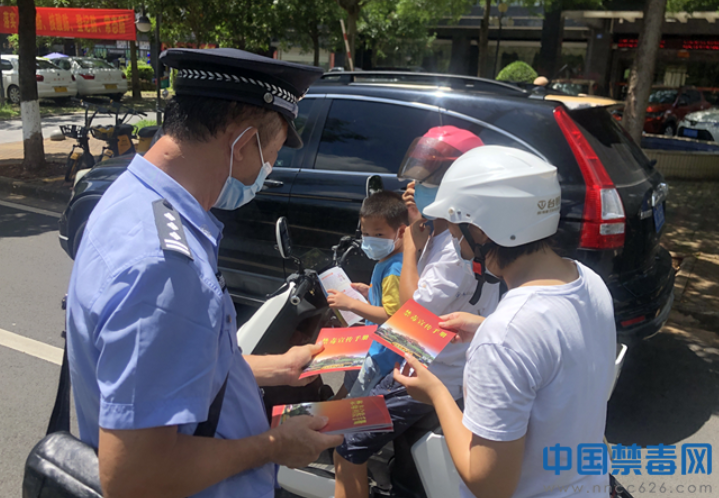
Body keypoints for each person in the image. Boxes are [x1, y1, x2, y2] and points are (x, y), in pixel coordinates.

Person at [64, 48, 344, 498]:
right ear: (242, 143)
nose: (268, 170)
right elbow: (135, 477)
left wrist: (274, 368)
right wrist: (275, 446)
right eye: (271, 154)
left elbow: (173, 368)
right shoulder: (165, 268)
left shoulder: (134, 198)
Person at [394, 145, 616, 498]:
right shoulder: (588, 281)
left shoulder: (505, 336)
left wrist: (436, 392)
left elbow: (489, 484)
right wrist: (487, 329)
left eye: (456, 230)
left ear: (481, 232)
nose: (455, 242)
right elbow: (561, 349)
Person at [333, 128, 501, 498]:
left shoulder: (454, 249)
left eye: (427, 181)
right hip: (429, 359)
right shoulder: (450, 234)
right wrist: (419, 229)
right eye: (415, 180)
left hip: (426, 370)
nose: (414, 188)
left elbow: (411, 313)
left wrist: (409, 246)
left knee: (346, 443)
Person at [327, 190, 408, 398]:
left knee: (358, 401)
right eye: (366, 234)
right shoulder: (389, 260)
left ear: (400, 232)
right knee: (351, 383)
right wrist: (370, 291)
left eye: (379, 235)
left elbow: (392, 315)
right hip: (374, 345)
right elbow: (391, 297)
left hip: (382, 355)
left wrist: (351, 304)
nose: (371, 240)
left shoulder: (394, 269)